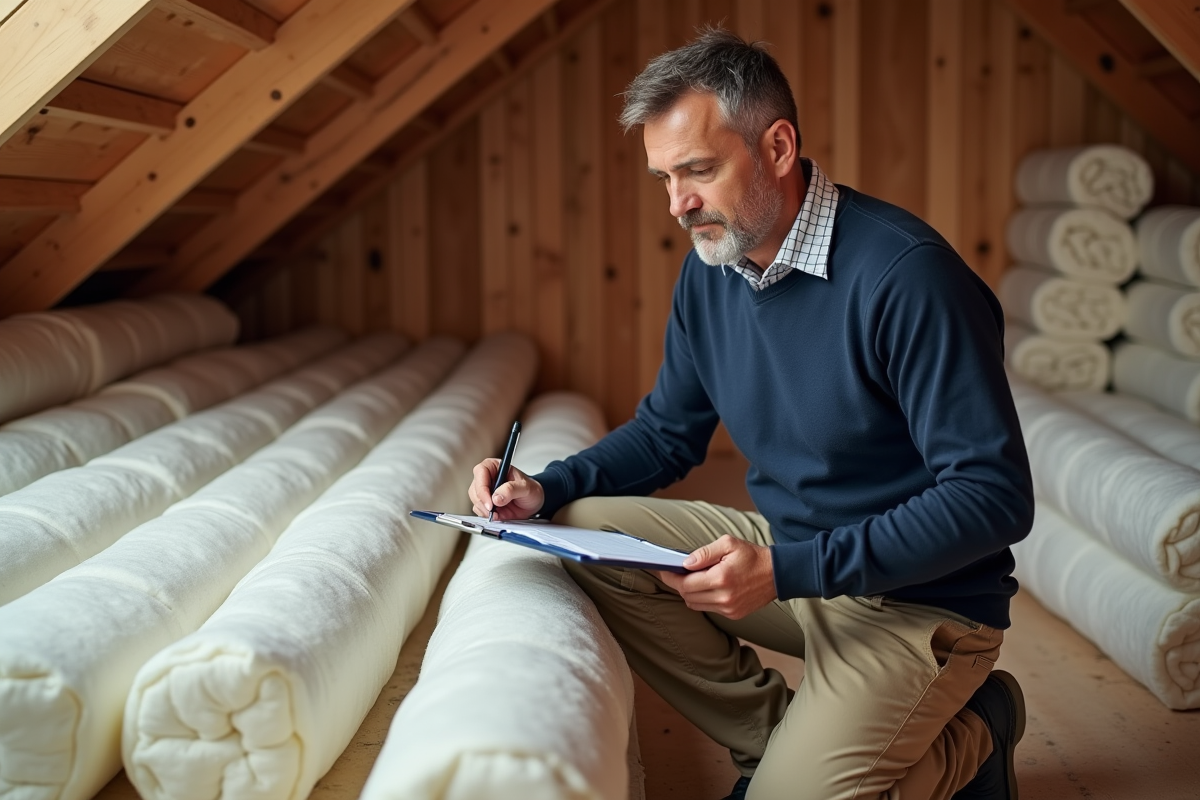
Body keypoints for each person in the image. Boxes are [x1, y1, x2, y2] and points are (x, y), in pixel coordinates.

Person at [468, 28, 1033, 800]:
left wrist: (789, 569)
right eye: (664, 178)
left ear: (777, 145)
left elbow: (993, 499)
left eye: (698, 170)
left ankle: (976, 736)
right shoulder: (714, 269)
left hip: (919, 603)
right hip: (797, 563)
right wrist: (546, 486)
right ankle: (773, 749)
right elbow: (669, 432)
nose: (678, 204)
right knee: (582, 526)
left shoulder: (908, 278)